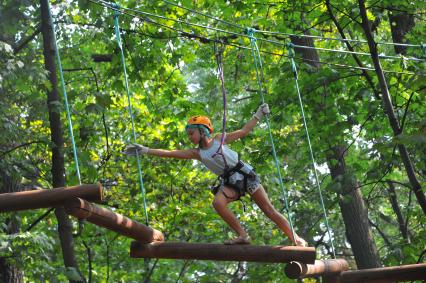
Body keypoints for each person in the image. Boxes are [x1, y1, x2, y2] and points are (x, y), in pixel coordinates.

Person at [124, 103, 307, 246]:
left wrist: (258, 114)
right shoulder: (197, 153)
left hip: (245, 176)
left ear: (203, 131)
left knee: (268, 210)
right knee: (217, 203)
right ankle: (242, 235)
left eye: (192, 133)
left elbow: (244, 131)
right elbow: (170, 153)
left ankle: (296, 238)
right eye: (188, 135)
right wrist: (146, 150)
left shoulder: (219, 139)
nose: (190, 137)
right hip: (230, 183)